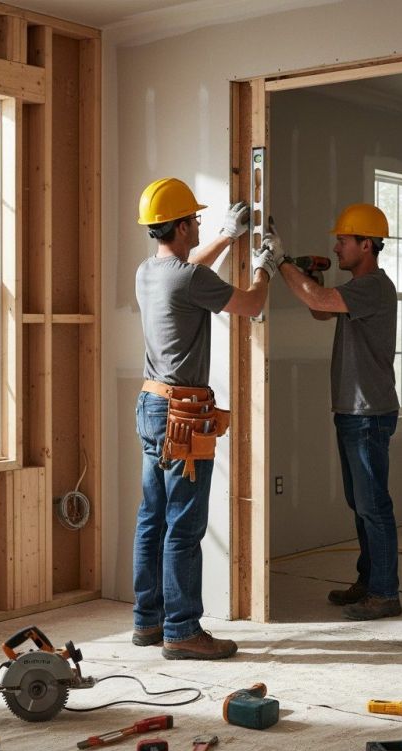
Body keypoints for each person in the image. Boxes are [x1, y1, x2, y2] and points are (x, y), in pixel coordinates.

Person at [132, 177, 276, 659]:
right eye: (192, 219)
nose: (197, 224)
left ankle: (148, 622)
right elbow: (251, 304)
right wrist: (264, 267)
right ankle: (183, 631)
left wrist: (225, 236)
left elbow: (187, 270)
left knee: (152, 518)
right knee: (185, 525)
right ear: (176, 225)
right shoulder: (190, 279)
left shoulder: (147, 272)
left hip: (152, 406)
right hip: (183, 417)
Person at [263, 204, 402, 621]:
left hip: (368, 413)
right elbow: (321, 308)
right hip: (353, 410)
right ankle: (369, 581)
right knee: (360, 503)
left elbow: (319, 298)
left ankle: (385, 593)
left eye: (343, 240)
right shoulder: (356, 291)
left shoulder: (374, 285)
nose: (336, 246)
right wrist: (308, 275)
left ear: (367, 244)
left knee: (373, 505)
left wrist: (280, 262)